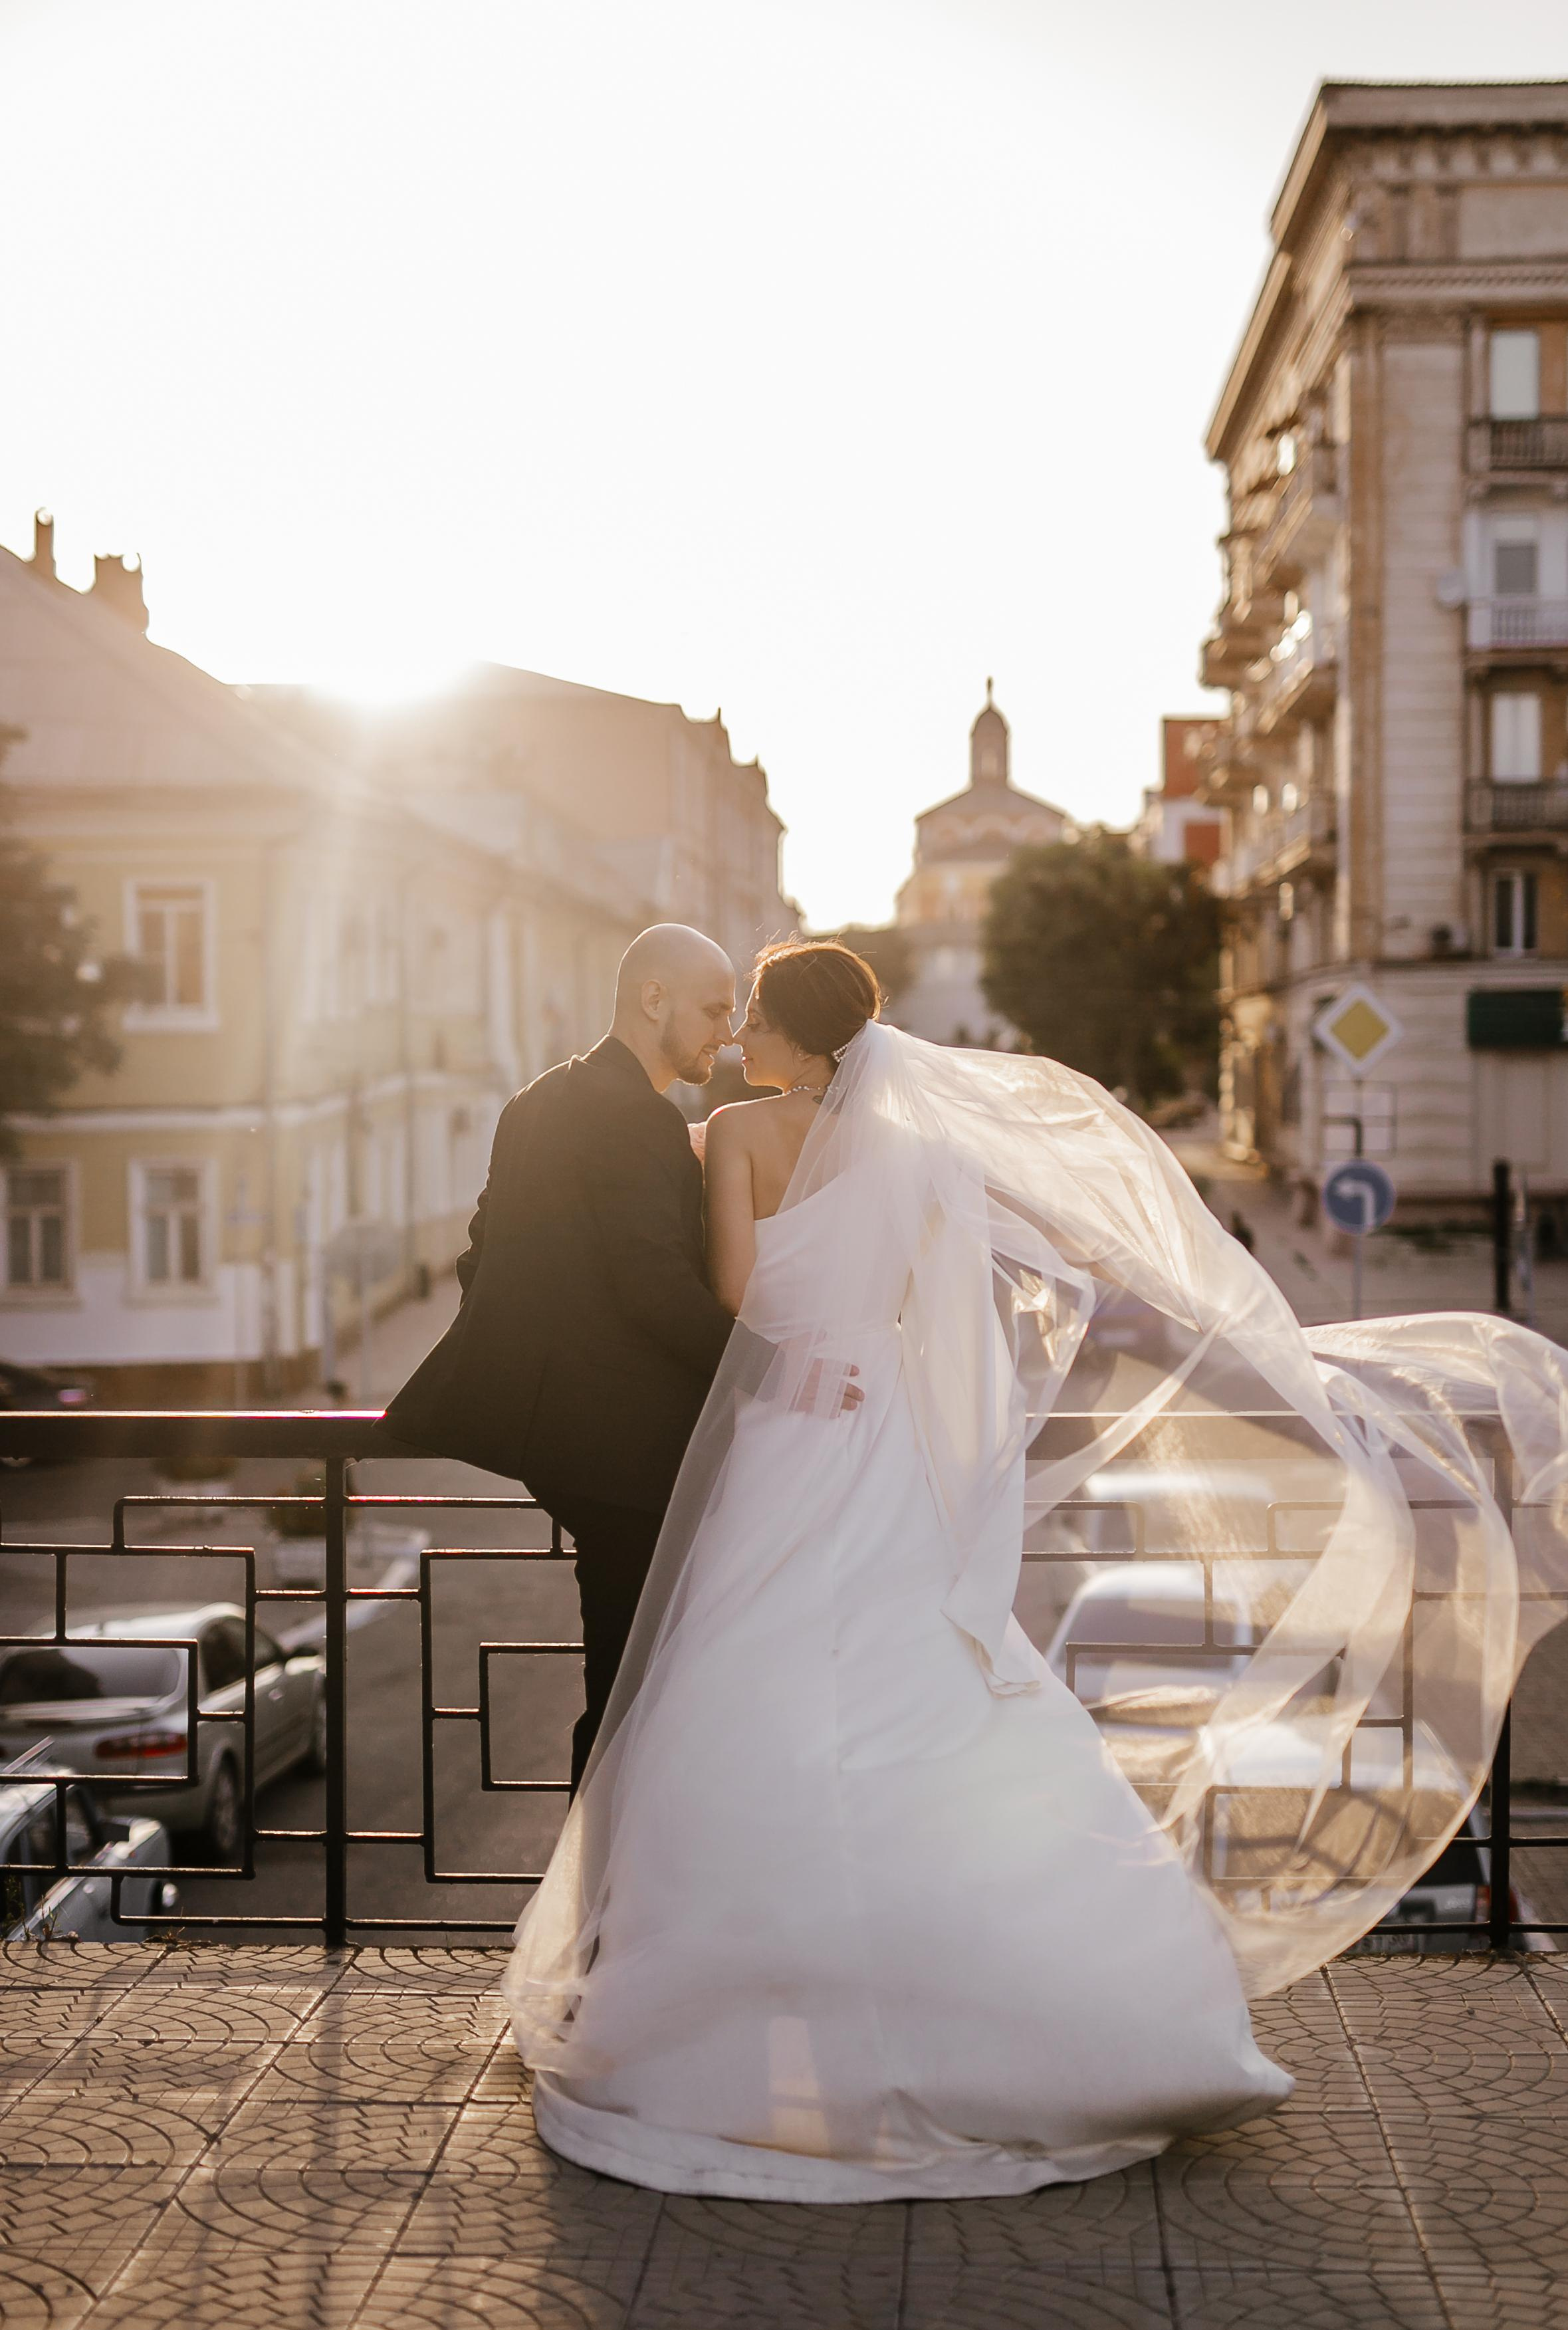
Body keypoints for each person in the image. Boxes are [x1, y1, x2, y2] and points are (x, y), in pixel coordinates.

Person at [503, 937, 1568, 2201]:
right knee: (928, 1683)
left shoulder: (729, 1134)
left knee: (746, 1685)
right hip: (885, 1436)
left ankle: (745, 1994)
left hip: (787, 1433)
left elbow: (737, 1290)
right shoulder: (926, 1151)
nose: (736, 1037)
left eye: (751, 1020)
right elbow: (956, 1305)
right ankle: (1074, 2011)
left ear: (791, 1037)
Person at [385, 925, 748, 1789]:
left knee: (627, 1687)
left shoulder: (537, 1097)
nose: (726, 1032)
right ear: (652, 997)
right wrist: (770, 1366)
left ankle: (602, 1898)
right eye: (713, 1008)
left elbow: (481, 1252)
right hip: (626, 1461)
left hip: (573, 1447)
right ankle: (601, 1900)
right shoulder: (638, 1118)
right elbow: (652, 1283)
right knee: (639, 1696)